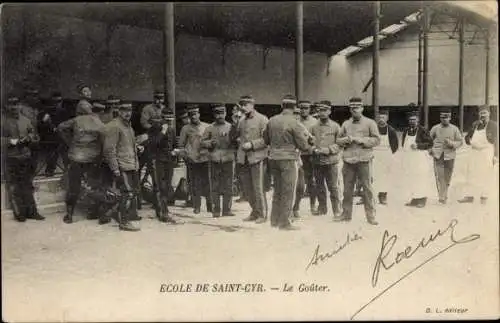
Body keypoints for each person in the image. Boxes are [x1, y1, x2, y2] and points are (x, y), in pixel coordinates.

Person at [264, 95, 311, 230]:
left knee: (277, 190)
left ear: (281, 106)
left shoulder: (272, 120)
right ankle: (284, 222)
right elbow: (303, 145)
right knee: (288, 191)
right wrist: (309, 143)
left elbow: (266, 140)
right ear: (295, 107)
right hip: (289, 160)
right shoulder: (295, 123)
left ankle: (274, 220)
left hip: (273, 158)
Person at [57, 101, 106, 224]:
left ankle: (69, 214)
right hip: (93, 158)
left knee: (73, 186)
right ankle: (93, 212)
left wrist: (69, 141)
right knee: (94, 185)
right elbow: (104, 137)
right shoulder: (98, 121)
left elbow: (61, 127)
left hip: (76, 157)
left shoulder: (76, 120)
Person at [336, 97, 380, 225]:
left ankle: (371, 216)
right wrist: (346, 140)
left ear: (362, 108)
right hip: (348, 160)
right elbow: (338, 140)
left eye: (357, 108)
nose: (354, 110)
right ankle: (346, 214)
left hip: (364, 160)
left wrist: (361, 140)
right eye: (352, 108)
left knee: (367, 189)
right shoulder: (345, 124)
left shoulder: (370, 123)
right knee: (347, 189)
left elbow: (377, 140)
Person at [2, 95, 44, 222]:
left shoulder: (26, 120)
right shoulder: (2, 121)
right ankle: (19, 213)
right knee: (14, 186)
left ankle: (32, 212)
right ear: (6, 106)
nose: (14, 107)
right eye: (11, 104)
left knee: (27, 184)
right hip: (11, 157)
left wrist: (30, 138)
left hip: (25, 157)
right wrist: (11, 141)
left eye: (16, 104)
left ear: (20, 105)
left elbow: (34, 135)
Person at [103, 103, 141, 231]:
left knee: (131, 192)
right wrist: (115, 168)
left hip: (131, 164)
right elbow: (109, 149)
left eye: (130, 110)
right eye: (124, 110)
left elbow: (129, 145)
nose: (128, 113)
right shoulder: (114, 126)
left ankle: (111, 213)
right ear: (118, 111)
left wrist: (137, 151)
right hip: (122, 165)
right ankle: (123, 222)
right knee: (127, 193)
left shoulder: (128, 127)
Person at [235, 95, 269, 223]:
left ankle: (262, 214)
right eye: (241, 105)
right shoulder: (241, 120)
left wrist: (252, 144)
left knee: (258, 188)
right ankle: (254, 211)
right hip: (243, 158)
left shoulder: (262, 119)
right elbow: (234, 136)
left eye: (245, 105)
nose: (243, 108)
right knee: (247, 189)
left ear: (252, 105)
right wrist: (235, 121)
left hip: (257, 158)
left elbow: (267, 139)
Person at [201, 104, 237, 218]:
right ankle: (216, 210)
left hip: (228, 158)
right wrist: (210, 143)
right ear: (214, 114)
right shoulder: (210, 128)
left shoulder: (231, 127)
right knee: (214, 185)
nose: (220, 116)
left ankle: (227, 209)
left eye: (222, 113)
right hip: (214, 158)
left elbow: (237, 141)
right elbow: (202, 142)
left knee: (228, 185)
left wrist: (233, 142)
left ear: (226, 113)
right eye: (217, 113)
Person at [459, 105, 498, 204]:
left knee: (485, 174)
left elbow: (497, 141)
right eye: (481, 113)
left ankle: (484, 197)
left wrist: (496, 156)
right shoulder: (475, 124)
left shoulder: (493, 125)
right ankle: (469, 196)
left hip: (486, 152)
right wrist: (469, 140)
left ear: (489, 114)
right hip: (474, 152)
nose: (483, 115)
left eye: (484, 113)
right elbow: (467, 137)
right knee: (471, 173)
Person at [310, 101, 342, 217]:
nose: (322, 113)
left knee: (333, 186)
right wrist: (313, 149)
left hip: (331, 162)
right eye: (320, 110)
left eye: (324, 110)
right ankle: (322, 208)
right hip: (317, 161)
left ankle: (337, 210)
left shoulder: (335, 126)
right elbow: (309, 142)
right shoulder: (313, 127)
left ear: (329, 111)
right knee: (319, 186)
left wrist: (327, 150)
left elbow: (339, 144)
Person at [177, 105, 212, 214]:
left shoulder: (207, 127)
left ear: (199, 114)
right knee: (195, 184)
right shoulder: (185, 129)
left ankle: (210, 206)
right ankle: (196, 206)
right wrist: (186, 157)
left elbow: (212, 143)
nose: (194, 116)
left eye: (196, 113)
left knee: (208, 183)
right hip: (193, 161)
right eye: (191, 114)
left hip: (206, 160)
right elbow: (181, 145)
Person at [401, 109, 434, 208]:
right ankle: (414, 199)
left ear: (418, 120)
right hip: (410, 158)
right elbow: (403, 143)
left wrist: (418, 145)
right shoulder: (406, 130)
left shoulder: (423, 130)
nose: (412, 121)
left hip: (420, 158)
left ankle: (422, 200)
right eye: (410, 119)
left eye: (414, 119)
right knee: (412, 179)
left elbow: (430, 143)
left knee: (420, 178)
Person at [429, 107, 463, 204]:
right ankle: (442, 196)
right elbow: (428, 140)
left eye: (446, 117)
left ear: (450, 118)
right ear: (440, 118)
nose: (444, 119)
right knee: (440, 176)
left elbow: (460, 141)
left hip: (450, 156)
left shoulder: (454, 129)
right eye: (442, 117)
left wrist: (452, 143)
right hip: (438, 155)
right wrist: (430, 150)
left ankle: (444, 193)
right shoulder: (435, 128)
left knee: (447, 176)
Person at [150, 109, 178, 223]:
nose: (169, 122)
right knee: (160, 186)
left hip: (169, 161)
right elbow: (153, 143)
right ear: (162, 119)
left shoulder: (172, 129)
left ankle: (163, 209)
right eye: (167, 119)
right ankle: (162, 212)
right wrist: (162, 131)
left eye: (171, 119)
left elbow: (174, 144)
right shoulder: (155, 128)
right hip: (159, 160)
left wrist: (176, 152)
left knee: (167, 185)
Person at [38, 91, 70, 176]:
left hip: (62, 138)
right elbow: (40, 126)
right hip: (51, 139)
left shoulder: (64, 112)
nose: (57, 103)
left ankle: (68, 172)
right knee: (51, 157)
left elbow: (68, 125)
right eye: (55, 101)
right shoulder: (45, 112)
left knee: (66, 157)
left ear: (61, 102)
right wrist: (45, 121)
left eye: (59, 101)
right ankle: (49, 171)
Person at [372, 109, 399, 205]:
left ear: (387, 118)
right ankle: (368, 196)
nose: (381, 119)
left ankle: (383, 196)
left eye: (383, 117)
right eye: (379, 117)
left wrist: (387, 154)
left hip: (385, 155)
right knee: (372, 175)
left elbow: (395, 146)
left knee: (384, 177)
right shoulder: (373, 129)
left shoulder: (391, 130)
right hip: (374, 155)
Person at [297, 100, 319, 213]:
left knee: (312, 181)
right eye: (302, 108)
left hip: (310, 155)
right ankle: (296, 207)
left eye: (306, 108)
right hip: (298, 155)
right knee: (298, 182)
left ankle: (312, 205)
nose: (303, 110)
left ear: (310, 109)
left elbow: (317, 139)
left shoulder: (315, 122)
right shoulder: (295, 121)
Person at [177, 109, 193, 207]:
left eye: (186, 117)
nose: (185, 120)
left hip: (196, 156)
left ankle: (193, 198)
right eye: (183, 118)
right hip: (188, 157)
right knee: (190, 178)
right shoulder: (184, 128)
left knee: (194, 178)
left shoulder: (191, 128)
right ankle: (191, 198)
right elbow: (181, 144)